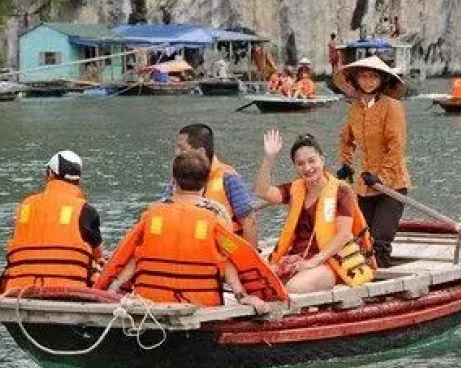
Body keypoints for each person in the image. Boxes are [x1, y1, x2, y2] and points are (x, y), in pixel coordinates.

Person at [99, 152, 268, 310]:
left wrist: (112, 288)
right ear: (204, 183)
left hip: (150, 299)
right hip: (201, 303)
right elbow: (228, 259)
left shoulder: (150, 215)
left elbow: (133, 256)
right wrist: (242, 295)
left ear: (174, 181)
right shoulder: (215, 218)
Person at [253, 129, 376, 293]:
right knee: (257, 285)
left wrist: (314, 261)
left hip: (330, 262)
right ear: (295, 166)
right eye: (300, 164)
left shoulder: (341, 192)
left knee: (294, 287)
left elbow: (344, 235)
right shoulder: (295, 189)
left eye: (312, 161)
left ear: (322, 160)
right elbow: (263, 191)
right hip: (298, 258)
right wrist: (269, 157)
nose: (307, 168)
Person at [332, 55, 409, 268]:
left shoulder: (392, 107)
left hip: (392, 185)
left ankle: (381, 286)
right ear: (356, 80)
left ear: (382, 79)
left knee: (380, 240)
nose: (368, 81)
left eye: (373, 76)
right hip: (364, 186)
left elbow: (396, 146)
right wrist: (346, 164)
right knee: (360, 238)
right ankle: (363, 280)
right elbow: (346, 139)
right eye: (363, 76)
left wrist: (381, 178)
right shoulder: (355, 108)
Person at [0, 151, 104, 293]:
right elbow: (98, 255)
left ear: (50, 174)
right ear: (78, 179)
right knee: (96, 265)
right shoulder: (85, 210)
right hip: (70, 290)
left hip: (18, 288)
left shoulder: (25, 206)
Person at [171, 123, 258, 244]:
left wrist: (251, 260)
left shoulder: (228, 177)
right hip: (188, 246)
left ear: (201, 152)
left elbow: (249, 220)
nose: (177, 152)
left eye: (182, 148)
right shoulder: (178, 177)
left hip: (223, 248)